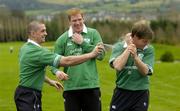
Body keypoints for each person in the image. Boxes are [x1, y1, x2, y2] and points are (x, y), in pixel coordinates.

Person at [14, 21, 104, 111]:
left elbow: (33, 71)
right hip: (28, 95)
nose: (46, 33)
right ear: (33, 33)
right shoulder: (36, 51)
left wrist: (50, 81)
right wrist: (92, 54)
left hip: (26, 93)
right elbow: (66, 61)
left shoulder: (25, 47)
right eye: (42, 31)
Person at [51, 8, 105, 111]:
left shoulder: (93, 33)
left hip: (91, 86)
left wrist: (83, 43)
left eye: (79, 19)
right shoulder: (62, 39)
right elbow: (52, 61)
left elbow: (101, 55)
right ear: (69, 22)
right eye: (74, 20)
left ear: (83, 19)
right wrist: (57, 71)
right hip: (71, 87)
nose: (77, 23)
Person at [109, 20, 155, 111]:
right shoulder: (119, 47)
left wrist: (135, 57)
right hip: (122, 92)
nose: (147, 44)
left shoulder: (149, 49)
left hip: (141, 94)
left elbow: (145, 71)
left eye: (148, 41)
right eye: (144, 41)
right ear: (134, 37)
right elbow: (118, 66)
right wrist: (128, 48)